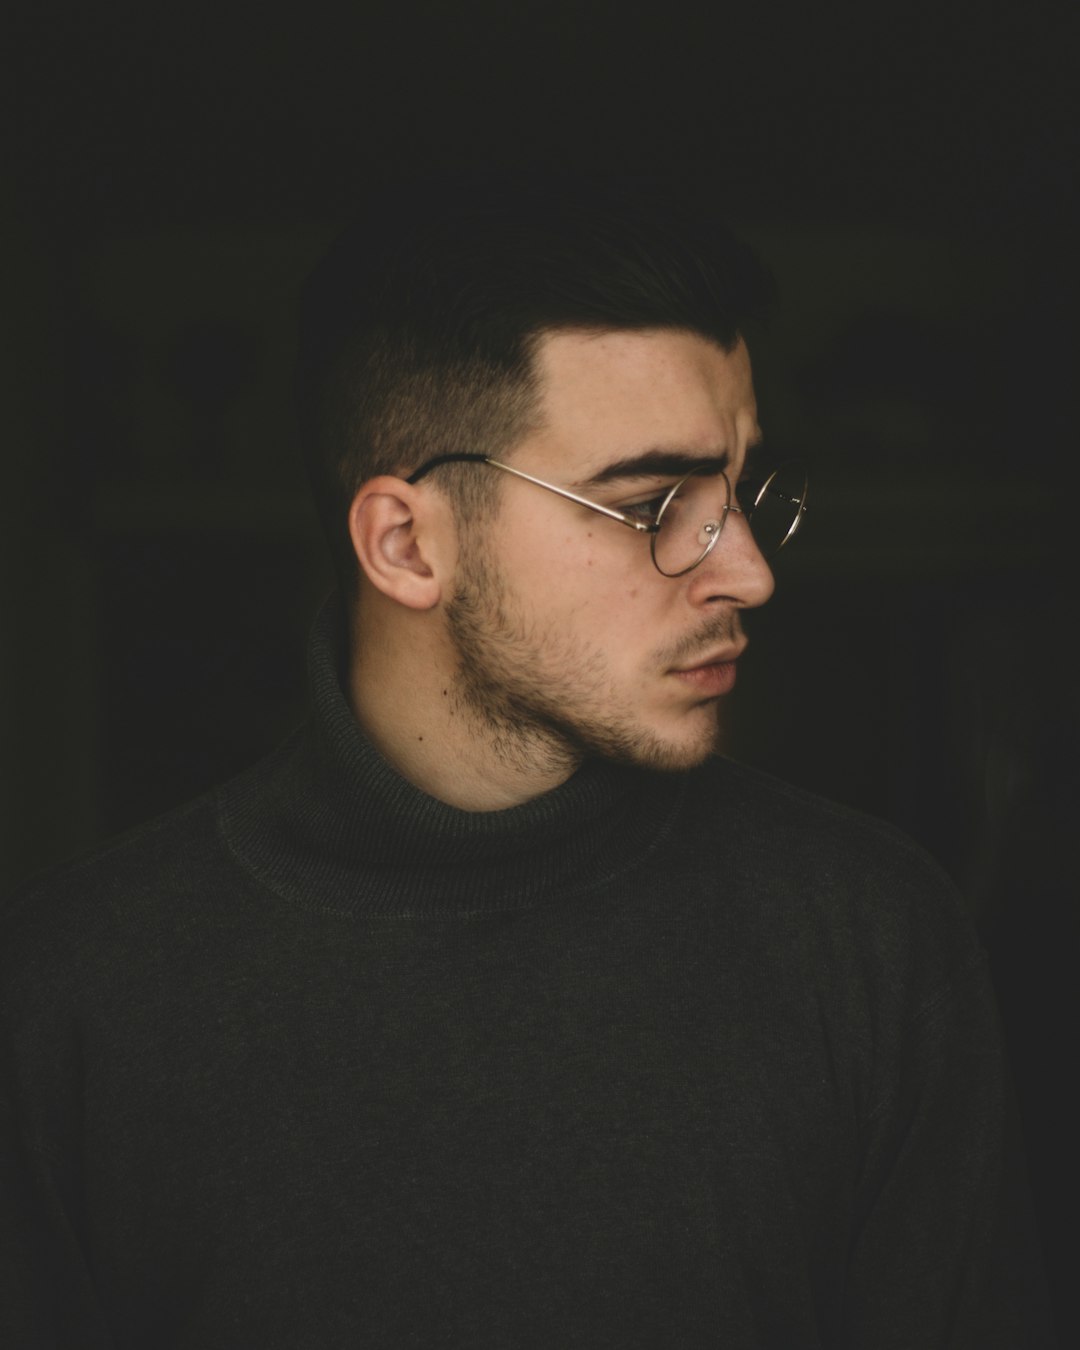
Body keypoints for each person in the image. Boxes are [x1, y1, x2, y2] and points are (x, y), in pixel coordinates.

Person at [1, 174, 1054, 1348]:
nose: (746, 570)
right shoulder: (71, 1005)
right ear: (407, 544)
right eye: (656, 502)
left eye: (739, 489)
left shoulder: (868, 939)